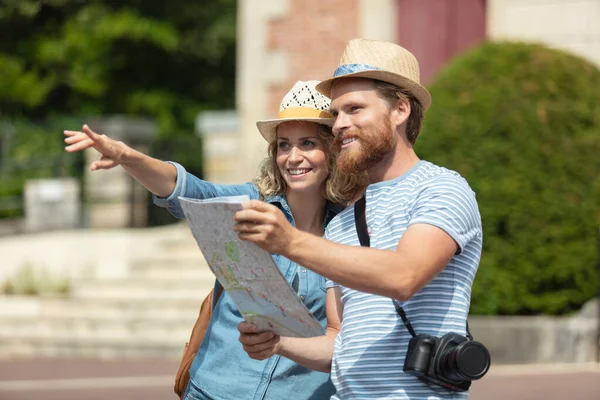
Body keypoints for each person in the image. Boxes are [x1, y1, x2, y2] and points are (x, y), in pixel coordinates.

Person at [64, 80, 366, 400]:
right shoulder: (249, 205)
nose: (293, 157)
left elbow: (342, 337)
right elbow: (186, 190)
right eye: (283, 145)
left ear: (331, 151)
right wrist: (128, 157)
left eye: (307, 143)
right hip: (212, 391)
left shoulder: (349, 230)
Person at [235, 39, 483, 400]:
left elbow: (403, 275)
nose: (339, 125)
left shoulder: (442, 188)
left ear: (400, 110)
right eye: (336, 113)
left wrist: (290, 241)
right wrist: (278, 344)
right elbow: (340, 341)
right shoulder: (341, 223)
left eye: (354, 109)